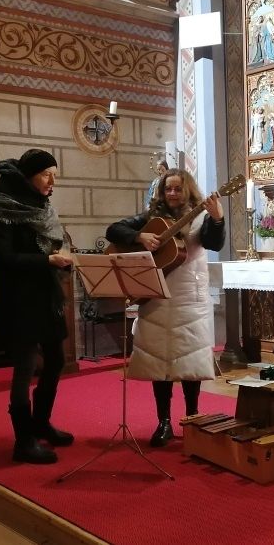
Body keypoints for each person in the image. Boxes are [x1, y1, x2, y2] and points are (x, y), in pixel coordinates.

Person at [105, 169, 225, 447]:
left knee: (189, 360)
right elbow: (114, 230)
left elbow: (212, 242)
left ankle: (193, 419)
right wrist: (140, 237)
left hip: (188, 295)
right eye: (167, 189)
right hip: (155, 295)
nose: (172, 194)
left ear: (188, 191)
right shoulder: (151, 217)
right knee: (159, 361)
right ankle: (164, 422)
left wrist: (217, 218)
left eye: (177, 189)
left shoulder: (201, 216)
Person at [0, 148, 73, 464]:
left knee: (56, 359)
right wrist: (47, 259)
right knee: (24, 368)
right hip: (18, 299)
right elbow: (3, 258)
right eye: (47, 174)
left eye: (54, 175)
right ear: (28, 176)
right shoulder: (1, 205)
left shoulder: (40, 204)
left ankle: (40, 423)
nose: (52, 182)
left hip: (45, 294)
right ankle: (23, 442)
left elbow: (48, 245)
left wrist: (61, 260)